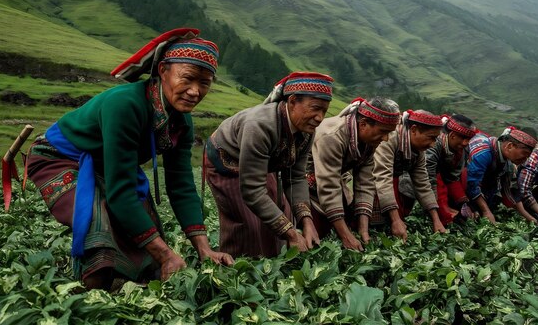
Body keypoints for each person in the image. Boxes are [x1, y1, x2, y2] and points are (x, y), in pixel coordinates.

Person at [25, 28, 233, 290]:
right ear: (163, 71)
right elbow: (120, 192)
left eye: (204, 83)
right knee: (97, 222)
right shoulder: (125, 104)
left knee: (147, 254)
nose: (195, 91)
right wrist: (166, 254)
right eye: (188, 79)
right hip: (59, 158)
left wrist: (205, 250)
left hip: (111, 166)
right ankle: (93, 287)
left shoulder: (182, 122)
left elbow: (181, 185)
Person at [205, 72, 333, 258]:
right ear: (292, 101)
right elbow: (252, 190)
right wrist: (290, 233)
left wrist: (306, 221)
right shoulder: (259, 126)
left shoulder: (307, 131)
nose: (320, 118)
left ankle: (274, 264)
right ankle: (234, 272)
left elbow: (296, 177)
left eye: (324, 111)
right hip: (227, 162)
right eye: (315, 108)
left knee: (282, 213)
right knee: (248, 224)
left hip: (261, 164)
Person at [307, 97, 399, 251]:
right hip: (306, 184)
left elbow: (365, 183)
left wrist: (363, 230)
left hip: (333, 183)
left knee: (349, 222)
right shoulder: (333, 137)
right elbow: (328, 186)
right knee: (317, 238)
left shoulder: (369, 142)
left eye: (389, 133)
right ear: (363, 124)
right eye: (383, 132)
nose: (385, 138)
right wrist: (346, 236)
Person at [372, 110, 447, 240]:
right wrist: (396, 220)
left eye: (436, 139)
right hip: (372, 179)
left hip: (388, 179)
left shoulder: (419, 152)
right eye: (431, 138)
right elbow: (382, 177)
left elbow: (422, 183)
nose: (433, 144)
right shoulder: (391, 138)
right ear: (413, 130)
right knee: (376, 225)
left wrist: (436, 220)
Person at [466, 126, 538, 224]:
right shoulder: (484, 153)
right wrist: (485, 211)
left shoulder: (507, 164)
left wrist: (527, 217)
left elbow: (508, 190)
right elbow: (472, 184)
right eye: (524, 154)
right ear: (509, 146)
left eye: (527, 157)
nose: (525, 160)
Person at [424, 114, 477, 226]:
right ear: (452, 135)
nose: (466, 143)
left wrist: (464, 203)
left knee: (463, 176)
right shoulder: (434, 145)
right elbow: (429, 178)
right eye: (464, 139)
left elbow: (453, 178)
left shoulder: (462, 150)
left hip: (440, 179)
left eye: (469, 139)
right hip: (426, 180)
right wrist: (441, 212)